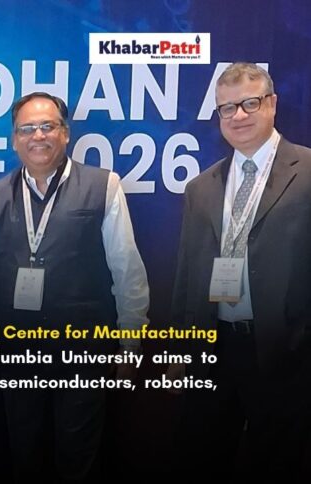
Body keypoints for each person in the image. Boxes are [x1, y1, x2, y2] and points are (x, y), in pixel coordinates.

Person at [0, 92, 150, 481]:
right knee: (25, 450)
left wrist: (130, 339)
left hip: (83, 347)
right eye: (27, 129)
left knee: (79, 454)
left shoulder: (103, 186)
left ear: (65, 133)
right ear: (14, 140)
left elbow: (126, 266)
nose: (38, 136)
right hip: (19, 348)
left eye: (47, 126)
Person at [169, 62, 311, 480]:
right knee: (201, 460)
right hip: (213, 352)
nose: (238, 116)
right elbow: (187, 274)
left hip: (286, 353)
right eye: (227, 108)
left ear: (273, 104)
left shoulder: (307, 172)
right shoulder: (201, 187)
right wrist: (180, 348)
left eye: (250, 103)